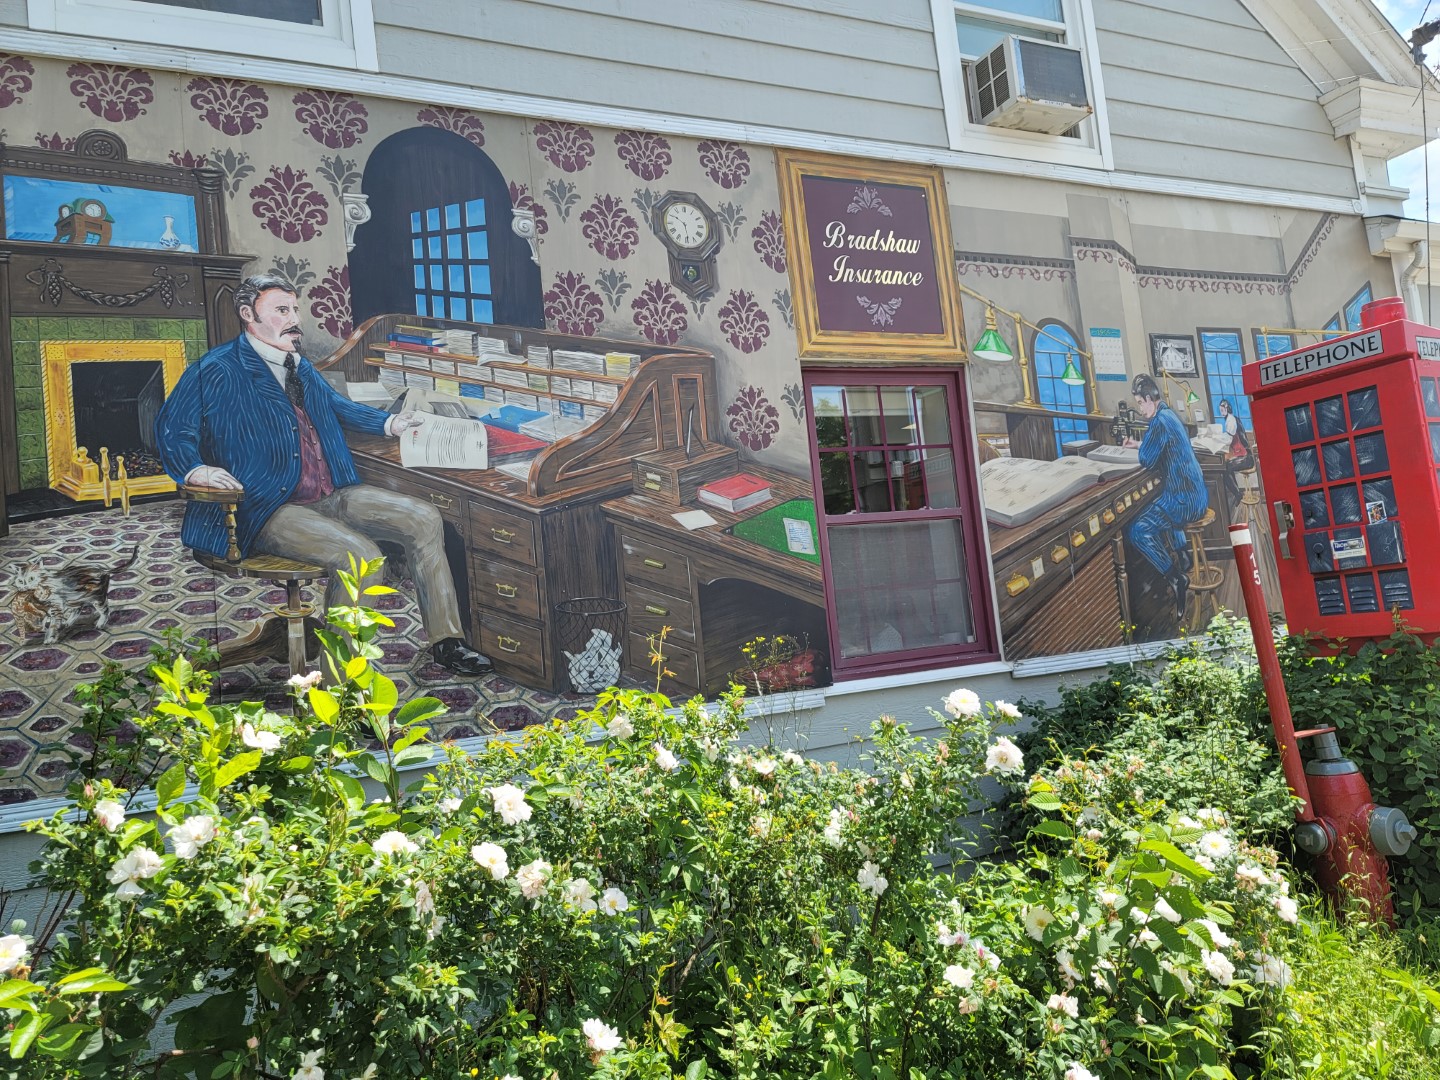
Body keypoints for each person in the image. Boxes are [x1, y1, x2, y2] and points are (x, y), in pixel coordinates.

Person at [156, 273, 492, 676]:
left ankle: (446, 640)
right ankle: (343, 688)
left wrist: (390, 425)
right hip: (265, 506)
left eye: (294, 308)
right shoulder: (216, 368)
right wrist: (198, 468)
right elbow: (172, 429)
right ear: (248, 314)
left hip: (329, 495)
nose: (294, 318)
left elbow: (336, 406)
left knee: (423, 518)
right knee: (361, 558)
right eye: (282, 310)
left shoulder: (298, 364)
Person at [1122, 373, 1209, 618]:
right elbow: (1158, 445)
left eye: (1140, 403)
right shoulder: (1168, 415)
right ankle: (1182, 554)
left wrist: (1140, 447)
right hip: (1195, 495)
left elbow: (1147, 459)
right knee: (1159, 501)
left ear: (1149, 399)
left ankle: (1176, 577)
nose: (1140, 409)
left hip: (1185, 503)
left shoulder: (1158, 422)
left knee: (1137, 529)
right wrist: (1138, 444)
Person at [1217, 398, 1253, 507]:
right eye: (1220, 410)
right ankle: (1237, 493)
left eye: (1222, 410)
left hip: (1246, 457)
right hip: (1242, 455)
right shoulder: (1231, 419)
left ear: (1227, 409)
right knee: (1227, 466)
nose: (1221, 412)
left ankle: (1237, 494)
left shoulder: (1231, 420)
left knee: (1225, 468)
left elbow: (1229, 438)